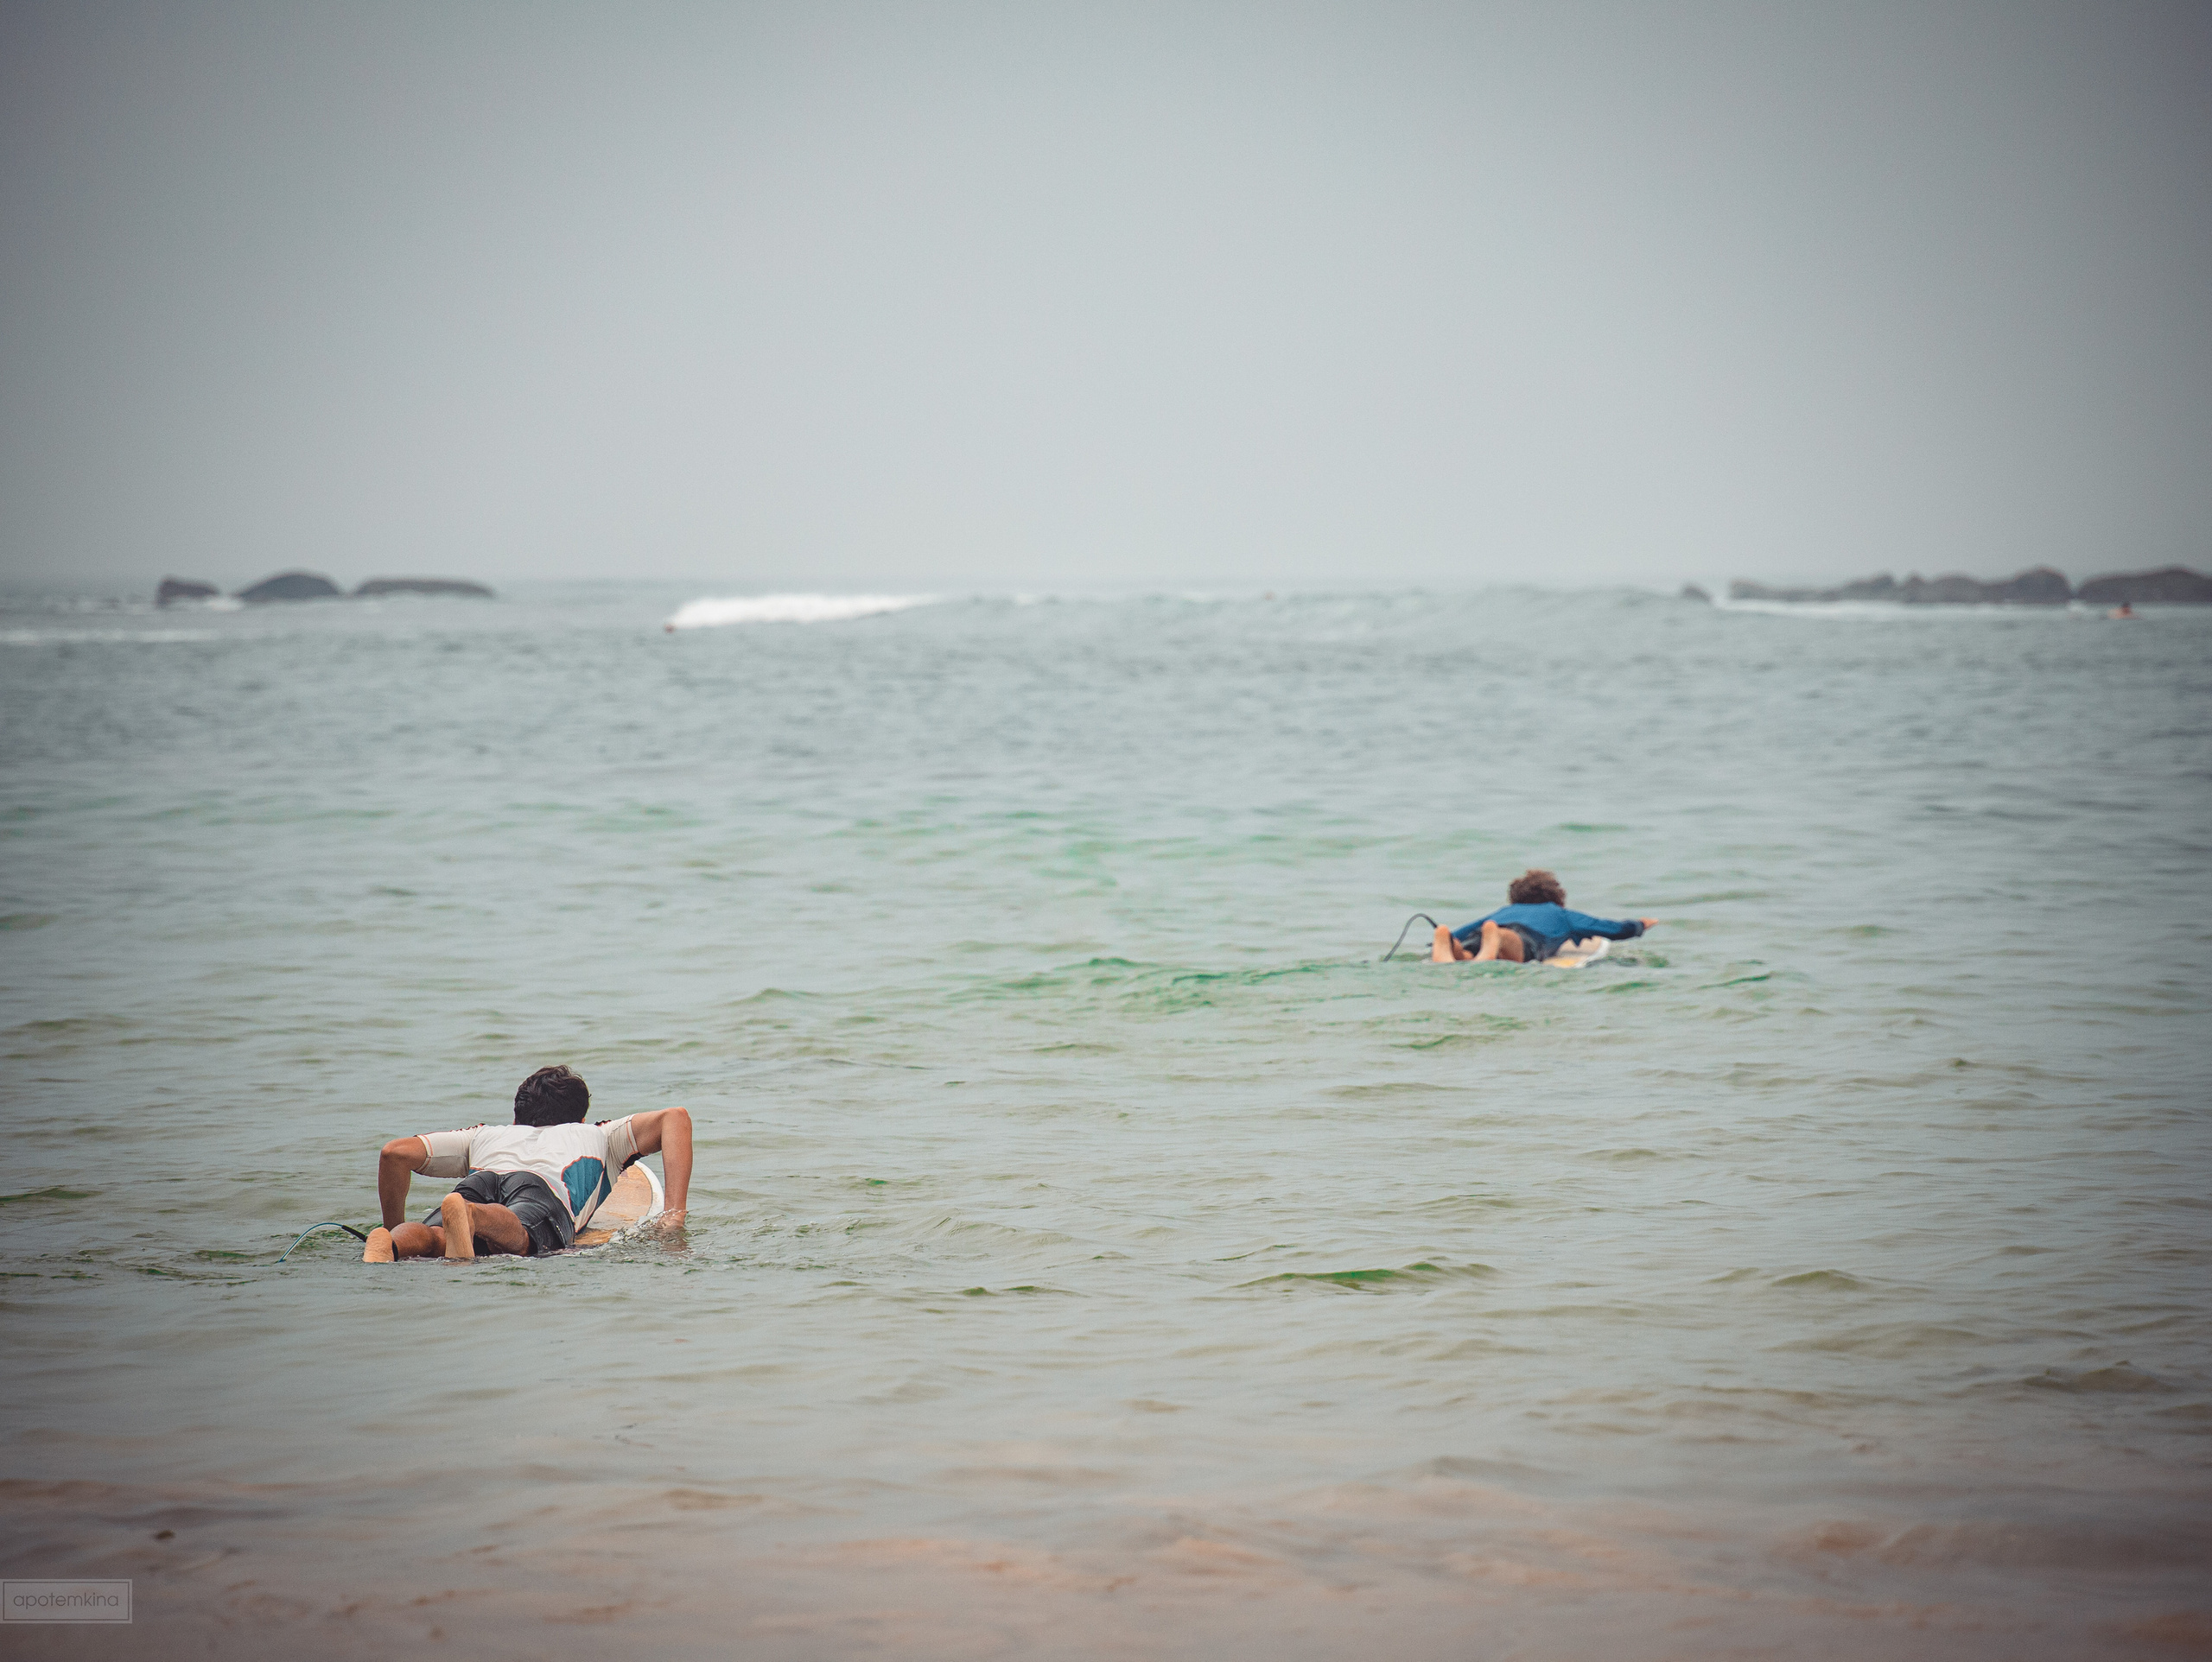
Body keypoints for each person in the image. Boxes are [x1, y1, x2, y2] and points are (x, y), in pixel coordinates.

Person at [362, 1064, 692, 1262]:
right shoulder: (600, 1135)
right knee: (521, 1240)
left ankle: (390, 1243)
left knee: (436, 1238)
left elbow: (394, 1153)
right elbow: (675, 1117)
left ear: (517, 1117)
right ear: (580, 1118)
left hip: (480, 1179)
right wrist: (674, 1214)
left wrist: (392, 1224)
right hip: (539, 1188)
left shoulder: (485, 1134)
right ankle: (474, 1215)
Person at [1431, 868, 1656, 964]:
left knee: (1469, 949)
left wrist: (1449, 939)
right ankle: (1495, 941)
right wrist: (1639, 925)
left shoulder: (1503, 912)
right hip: (1521, 938)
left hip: (1480, 933)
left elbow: (1460, 933)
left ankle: (1455, 950)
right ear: (1557, 898)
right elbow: (1610, 929)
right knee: (1509, 942)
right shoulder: (1559, 913)